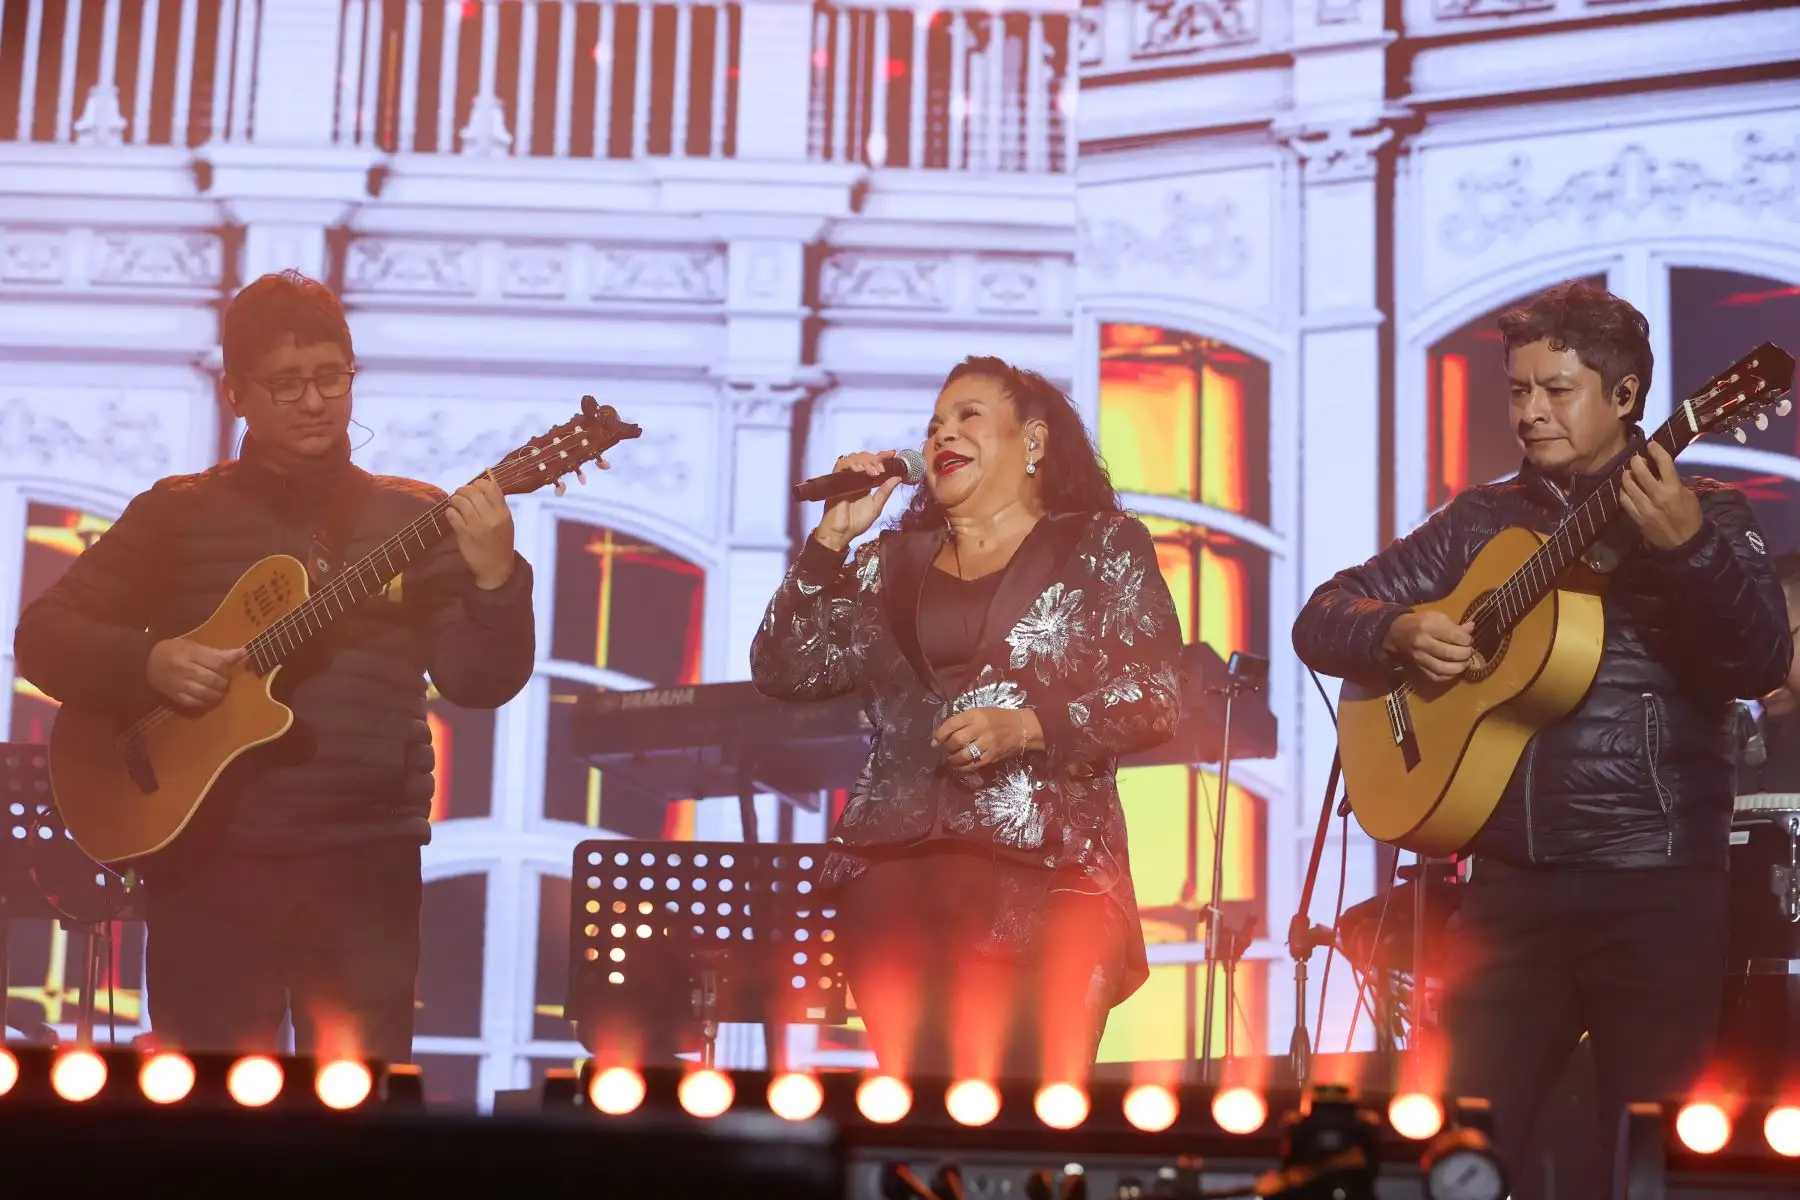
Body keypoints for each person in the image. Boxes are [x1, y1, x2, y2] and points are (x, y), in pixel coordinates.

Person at [1291, 280, 1792, 1193]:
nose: (1530, 412)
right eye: (1518, 391)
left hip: (1657, 881)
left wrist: (1686, 548)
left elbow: (1757, 662)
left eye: (1556, 390)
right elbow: (1320, 614)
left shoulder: (1706, 510)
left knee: (1648, 1160)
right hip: (1510, 888)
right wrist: (1395, 633)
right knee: (1458, 1156)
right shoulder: (1482, 519)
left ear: (1627, 397)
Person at [13, 270, 554, 1063]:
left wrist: (498, 578)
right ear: (235, 392)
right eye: (287, 382)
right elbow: (44, 637)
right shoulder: (177, 512)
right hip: (207, 861)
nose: (314, 400)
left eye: (332, 377)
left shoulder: (413, 517)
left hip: (364, 861)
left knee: (361, 1109)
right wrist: (150, 662)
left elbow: (481, 683)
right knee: (205, 1117)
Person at [750, 356, 1184, 1083]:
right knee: (918, 1109)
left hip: (1049, 873)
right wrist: (831, 541)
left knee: (1033, 1113)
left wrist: (1031, 727)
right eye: (933, 425)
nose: (941, 433)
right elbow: (786, 668)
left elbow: (1155, 695)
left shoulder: (1101, 547)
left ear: (1034, 442)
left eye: (967, 416)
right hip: (894, 880)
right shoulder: (888, 562)